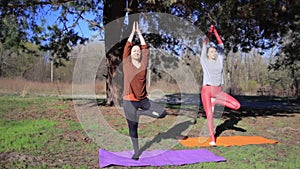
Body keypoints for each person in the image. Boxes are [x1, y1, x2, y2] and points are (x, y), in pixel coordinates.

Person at [122, 21, 168, 160]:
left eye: (138, 51)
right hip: (129, 101)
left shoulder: (143, 64)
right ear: (131, 53)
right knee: (133, 128)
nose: (136, 52)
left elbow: (145, 48)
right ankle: (136, 151)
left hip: (143, 100)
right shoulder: (127, 63)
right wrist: (132, 34)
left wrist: (140, 34)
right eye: (134, 51)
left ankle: (142, 113)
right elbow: (126, 47)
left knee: (162, 113)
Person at [200, 25, 241, 146]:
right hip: (207, 91)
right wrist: (209, 33)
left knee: (236, 105)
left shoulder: (219, 61)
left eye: (214, 52)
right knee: (210, 115)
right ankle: (213, 138)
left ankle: (216, 102)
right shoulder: (204, 61)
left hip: (218, 92)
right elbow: (204, 44)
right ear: (207, 54)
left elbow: (221, 44)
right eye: (211, 51)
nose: (213, 53)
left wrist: (216, 32)